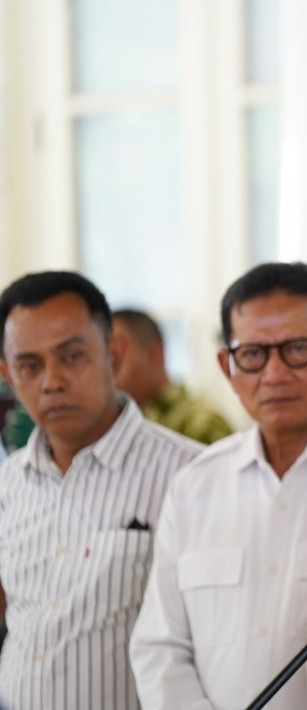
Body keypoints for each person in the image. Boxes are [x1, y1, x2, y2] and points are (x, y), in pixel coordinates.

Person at [129, 262, 307, 709]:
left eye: (298, 349)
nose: (274, 374)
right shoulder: (195, 486)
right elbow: (160, 646)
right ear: (227, 366)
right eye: (252, 354)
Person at [0, 271, 202, 710]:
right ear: (7, 373)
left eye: (72, 356)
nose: (52, 381)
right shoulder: (8, 484)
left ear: (115, 353)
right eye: (29, 366)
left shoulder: (190, 476)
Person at [113, 308, 234, 444]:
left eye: (115, 357)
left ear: (156, 353)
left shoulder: (200, 424)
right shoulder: (123, 425)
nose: (109, 371)